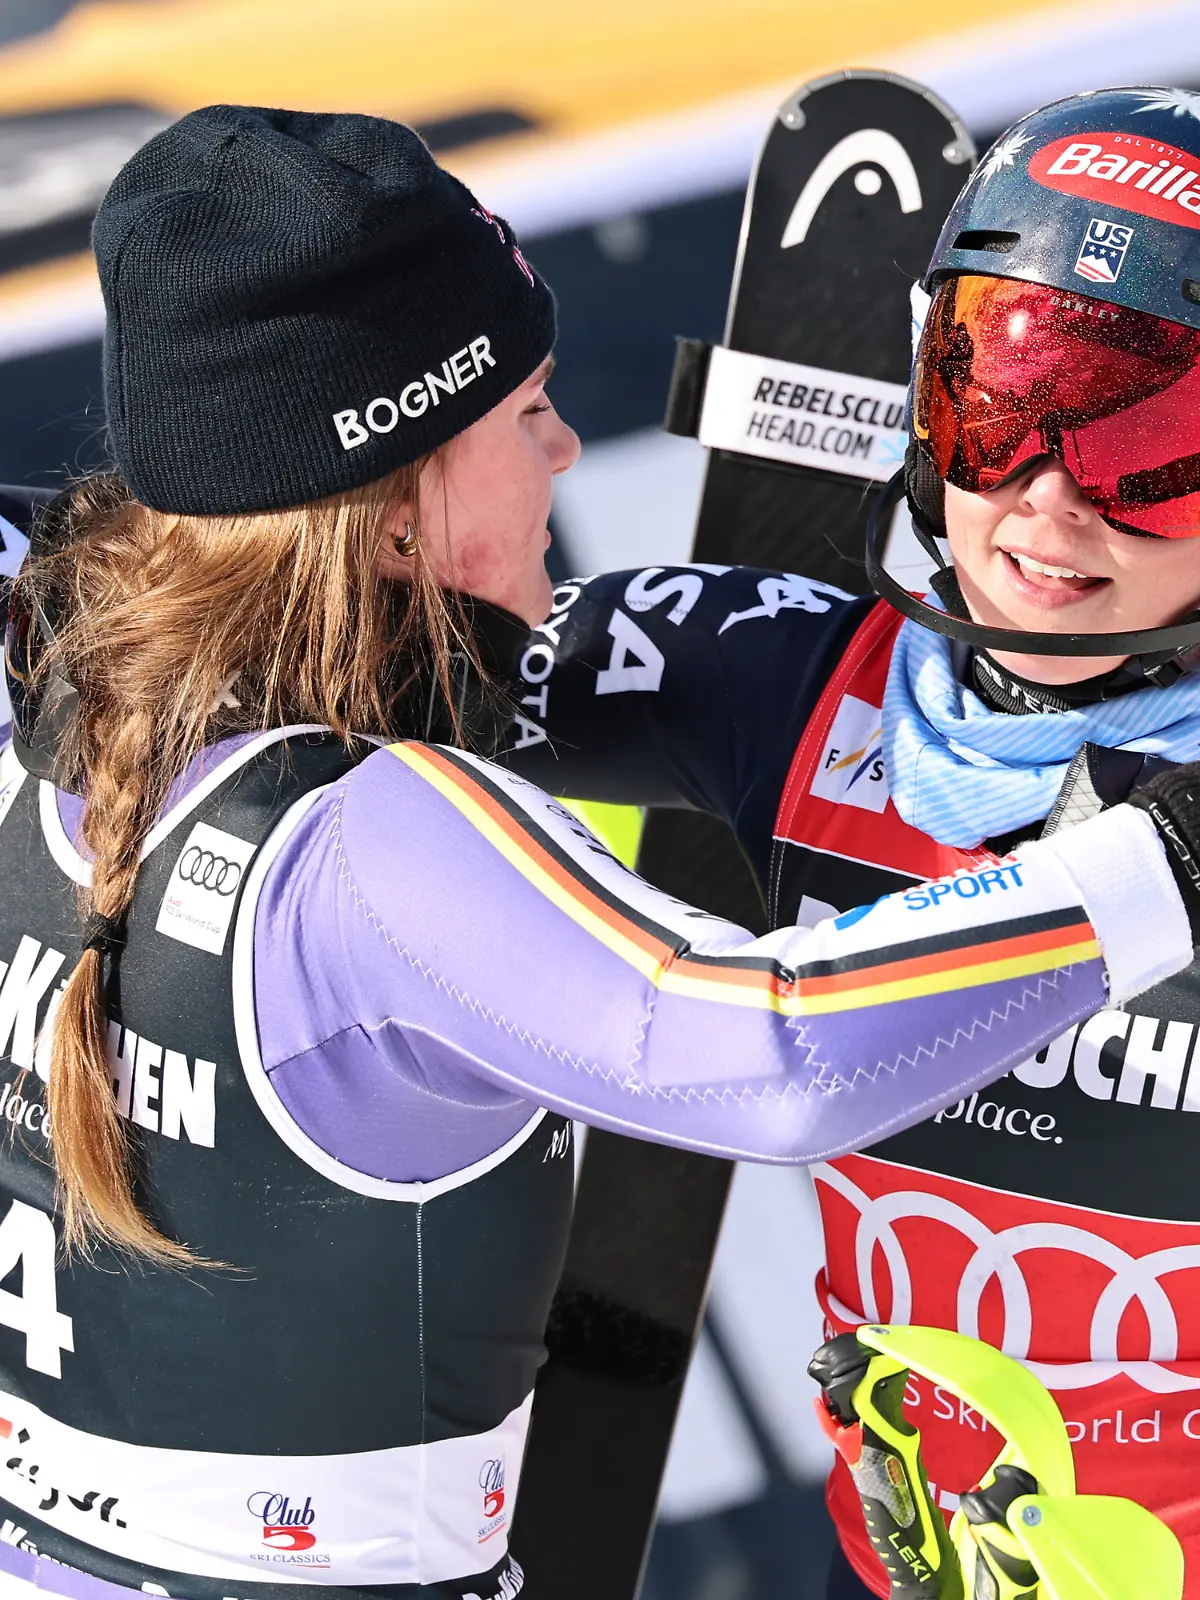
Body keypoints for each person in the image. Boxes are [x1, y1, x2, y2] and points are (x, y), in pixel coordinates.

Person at [0, 102, 1181, 1600]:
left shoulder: (63, 680)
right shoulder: (390, 837)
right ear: (391, 511)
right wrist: (1160, 864)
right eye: (991, 399)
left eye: (1150, 441)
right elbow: (772, 1054)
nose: (564, 443)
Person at [501, 85, 1200, 1600]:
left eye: (1155, 443)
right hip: (893, 1567)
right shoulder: (799, 681)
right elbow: (311, 658)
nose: (1050, 499)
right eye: (1000, 399)